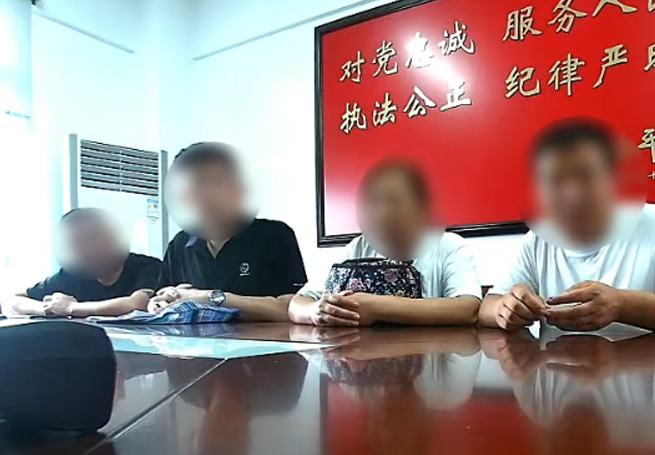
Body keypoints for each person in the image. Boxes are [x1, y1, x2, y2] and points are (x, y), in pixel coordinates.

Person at [479, 119, 655, 332]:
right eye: (556, 180)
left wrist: (622, 304)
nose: (573, 194)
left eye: (586, 176)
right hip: (555, 354)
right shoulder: (538, 240)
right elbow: (487, 308)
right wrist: (506, 308)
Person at [289, 160, 482, 327]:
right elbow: (297, 303)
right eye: (373, 202)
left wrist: (376, 307)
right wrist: (315, 311)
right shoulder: (359, 247)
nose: (383, 212)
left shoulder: (448, 246)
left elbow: (468, 309)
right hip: (361, 353)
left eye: (394, 201)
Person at [149, 142, 307, 321]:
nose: (204, 194)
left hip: (260, 339)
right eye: (192, 185)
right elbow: (158, 297)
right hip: (192, 338)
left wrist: (209, 298)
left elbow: (293, 308)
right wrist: (160, 302)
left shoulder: (275, 235)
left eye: (213, 182)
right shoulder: (180, 244)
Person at [5, 208, 162, 317]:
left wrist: (71, 308)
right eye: (76, 244)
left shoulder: (148, 267)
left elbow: (136, 304)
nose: (87, 249)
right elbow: (15, 301)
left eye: (93, 239)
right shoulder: (73, 273)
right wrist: (47, 309)